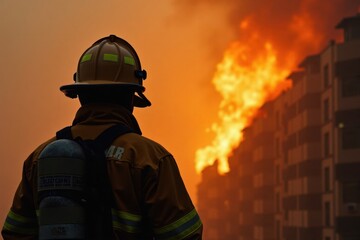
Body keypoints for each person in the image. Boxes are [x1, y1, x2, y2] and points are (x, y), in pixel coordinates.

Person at [2, 35, 203, 239]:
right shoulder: (150, 159)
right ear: (130, 97)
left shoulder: (39, 158)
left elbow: (15, 233)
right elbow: (185, 236)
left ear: (79, 94)